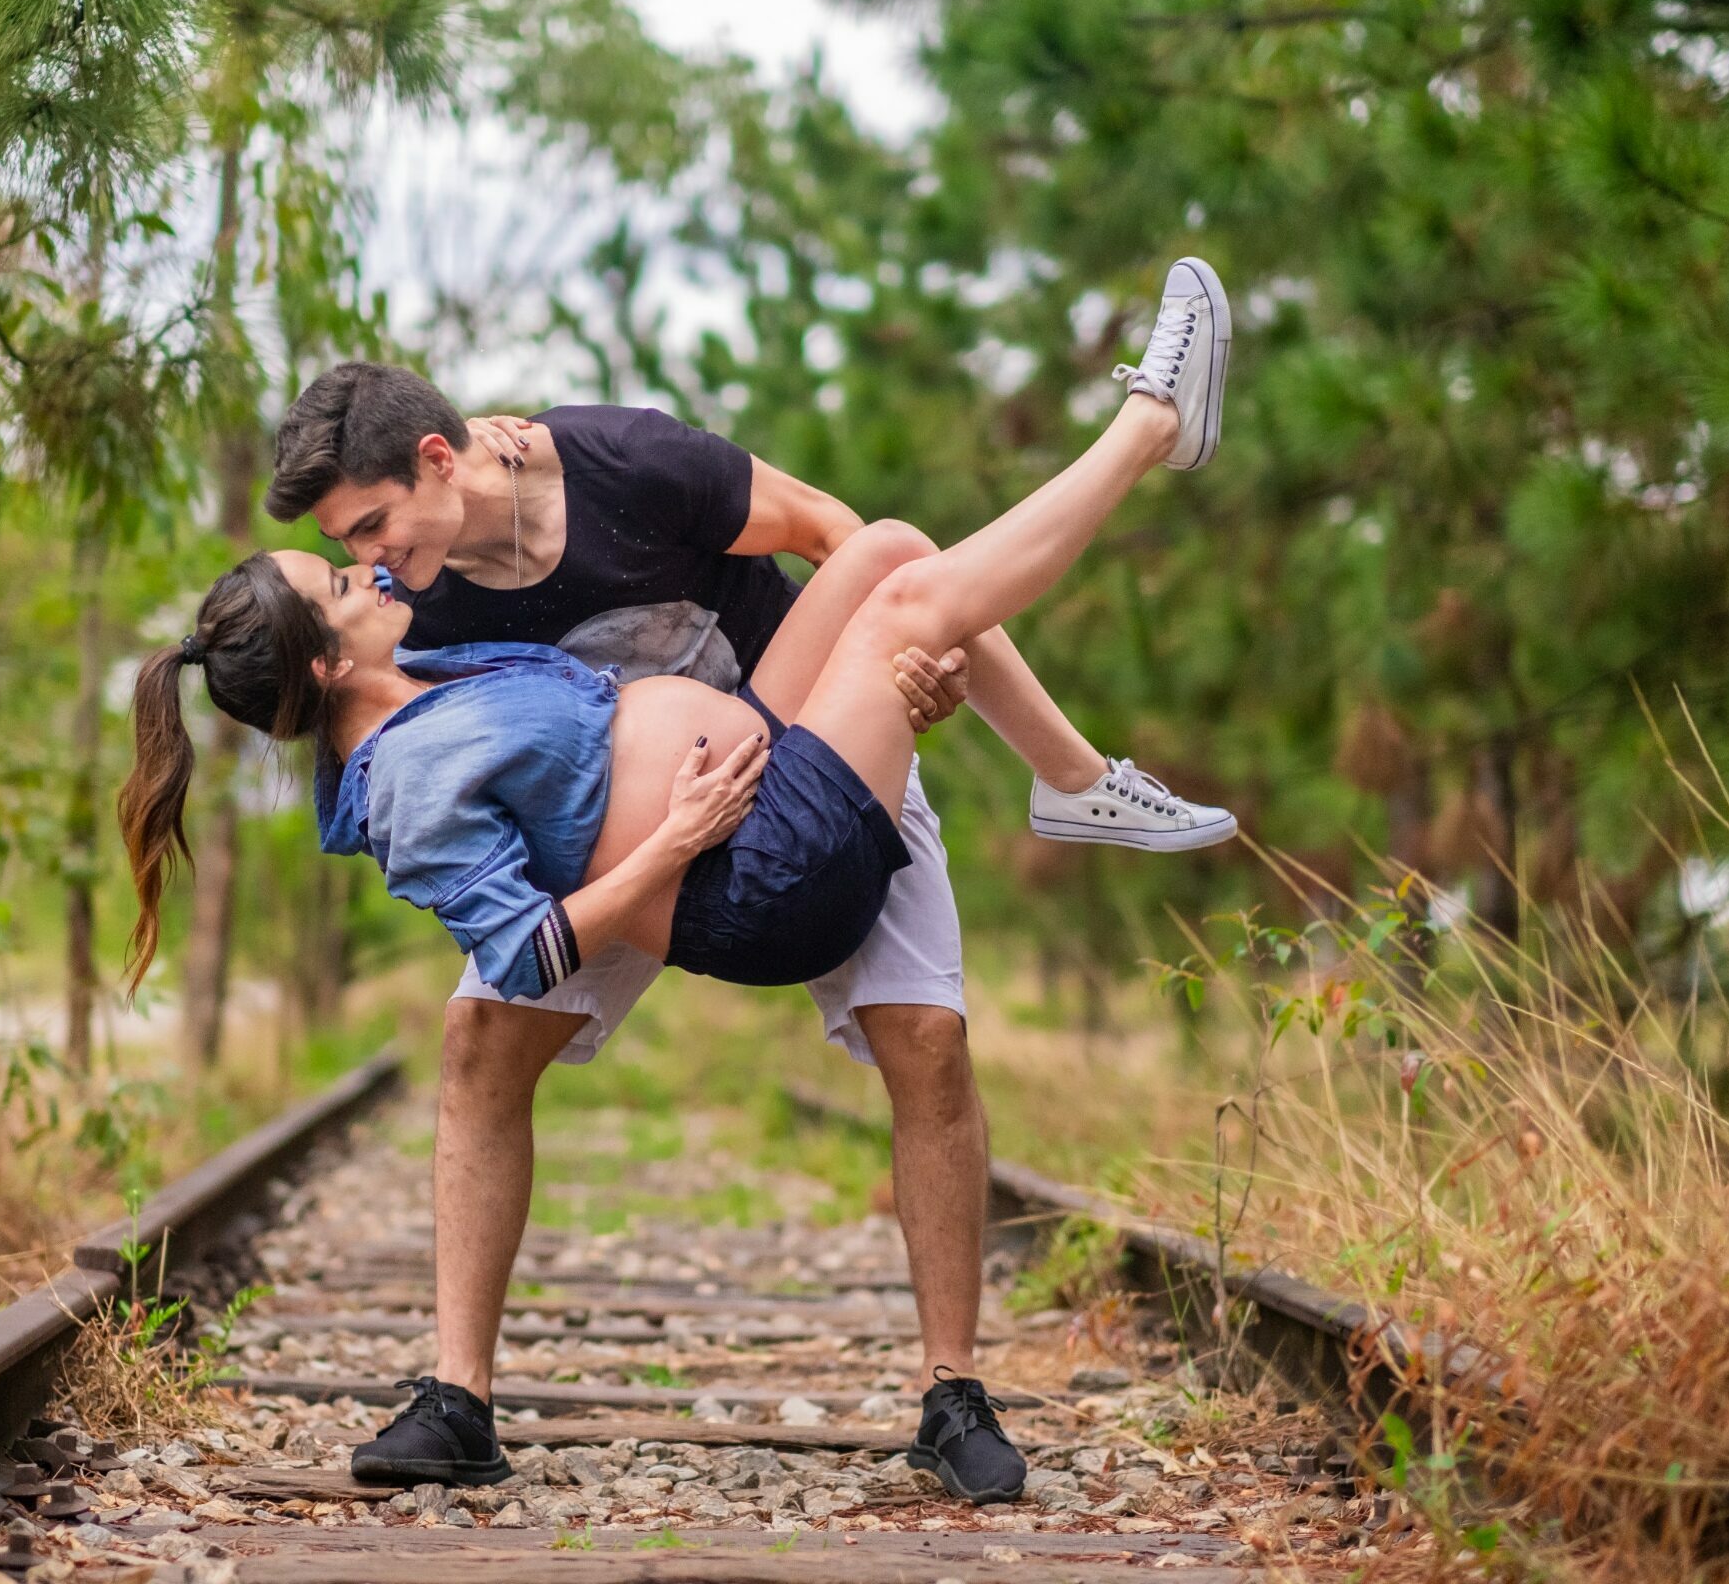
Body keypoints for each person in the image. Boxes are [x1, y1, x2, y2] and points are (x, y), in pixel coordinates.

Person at [120, 258, 1232, 1504]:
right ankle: (457, 1396)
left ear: (441, 459)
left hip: (799, 736)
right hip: (672, 837)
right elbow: (404, 786)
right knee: (482, 1037)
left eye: (373, 528)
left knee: (927, 1028)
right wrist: (666, 839)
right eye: (346, 553)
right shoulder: (405, 619)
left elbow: (830, 536)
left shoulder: (612, 465)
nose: (373, 565)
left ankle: (953, 1389)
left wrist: (900, 677)